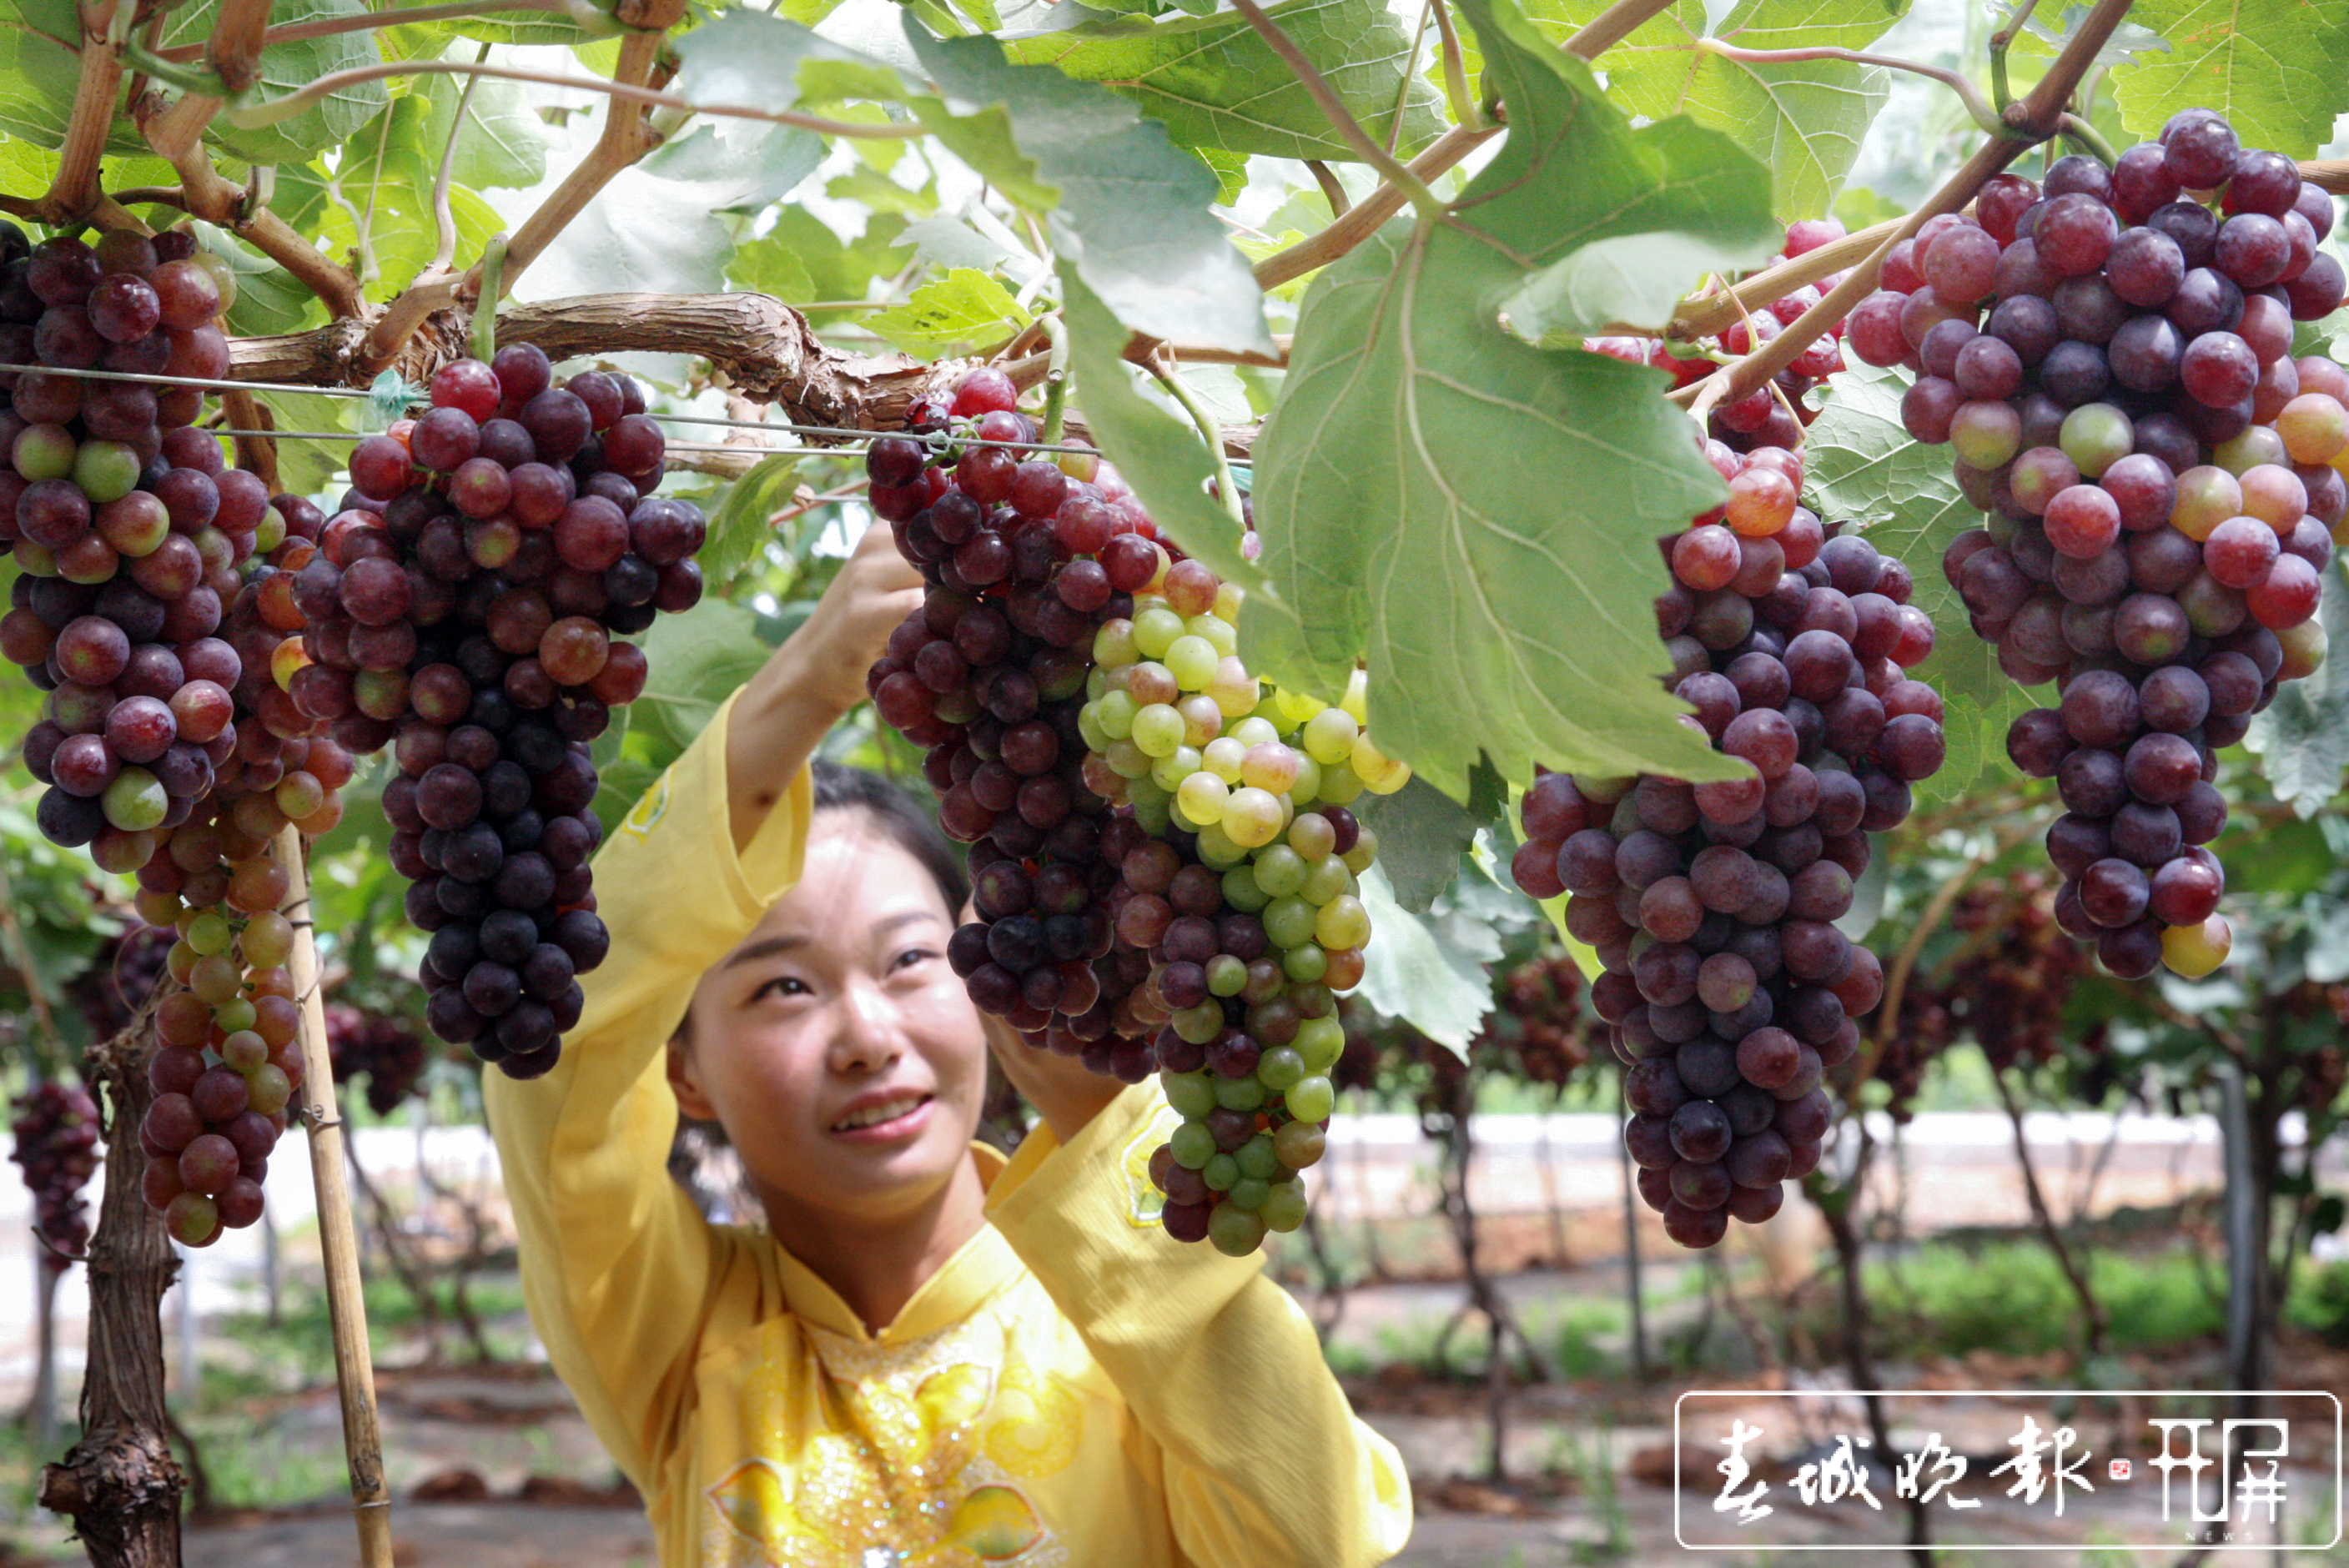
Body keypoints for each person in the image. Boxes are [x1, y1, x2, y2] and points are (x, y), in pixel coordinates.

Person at [485, 521, 1412, 1567]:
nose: (866, 1036)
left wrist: (1102, 1120)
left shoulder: (1134, 1313)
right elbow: (555, 1042)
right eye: (784, 985)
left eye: (909, 959)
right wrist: (804, 682)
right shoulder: (678, 1333)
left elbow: (1314, 1543)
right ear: (681, 1068)